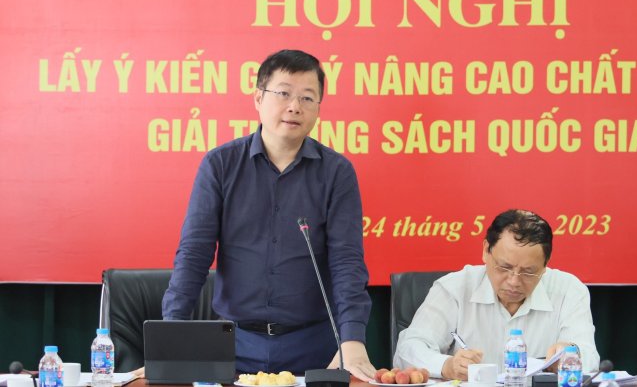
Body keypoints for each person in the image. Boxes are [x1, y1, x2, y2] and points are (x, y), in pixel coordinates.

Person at [162, 49, 375, 380]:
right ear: (258, 98)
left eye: (307, 98)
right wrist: (171, 334)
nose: (295, 106)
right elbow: (194, 253)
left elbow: (346, 261)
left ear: (318, 108)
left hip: (314, 347)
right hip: (233, 344)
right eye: (284, 93)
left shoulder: (336, 173)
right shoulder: (220, 165)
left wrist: (352, 340)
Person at [394, 209, 599, 380]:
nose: (514, 281)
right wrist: (446, 366)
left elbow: (589, 356)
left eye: (528, 272)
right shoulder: (454, 289)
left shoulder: (569, 290)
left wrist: (571, 355)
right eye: (504, 267)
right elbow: (409, 348)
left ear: (545, 265)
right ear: (486, 250)